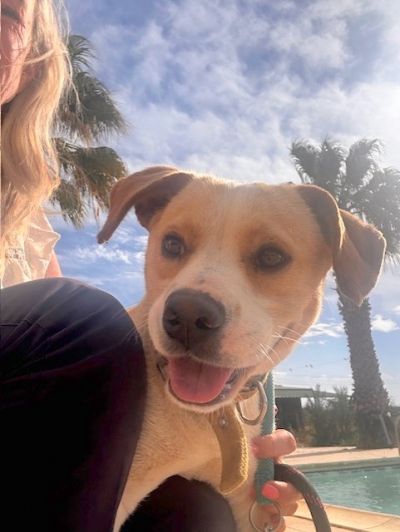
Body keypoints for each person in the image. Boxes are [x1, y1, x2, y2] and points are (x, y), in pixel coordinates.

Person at [0, 1, 300, 530]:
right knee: (85, 318)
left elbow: (73, 373)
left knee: (194, 512)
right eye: (176, 245)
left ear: (31, 62)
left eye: (5, 11)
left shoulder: (24, 218)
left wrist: (232, 444)